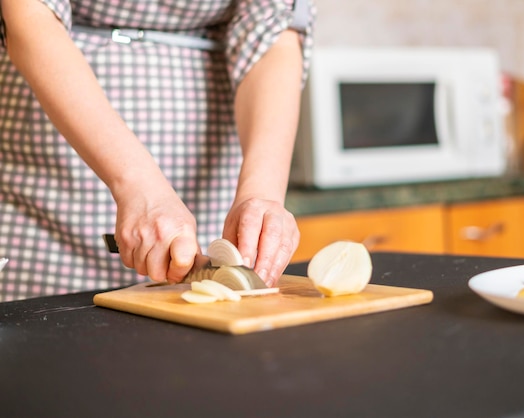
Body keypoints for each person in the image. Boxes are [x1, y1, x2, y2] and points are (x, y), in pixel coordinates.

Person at [0, 0, 315, 301]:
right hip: (48, 186)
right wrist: (138, 184)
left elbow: (275, 33)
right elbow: (30, 14)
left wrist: (261, 194)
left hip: (213, 182)